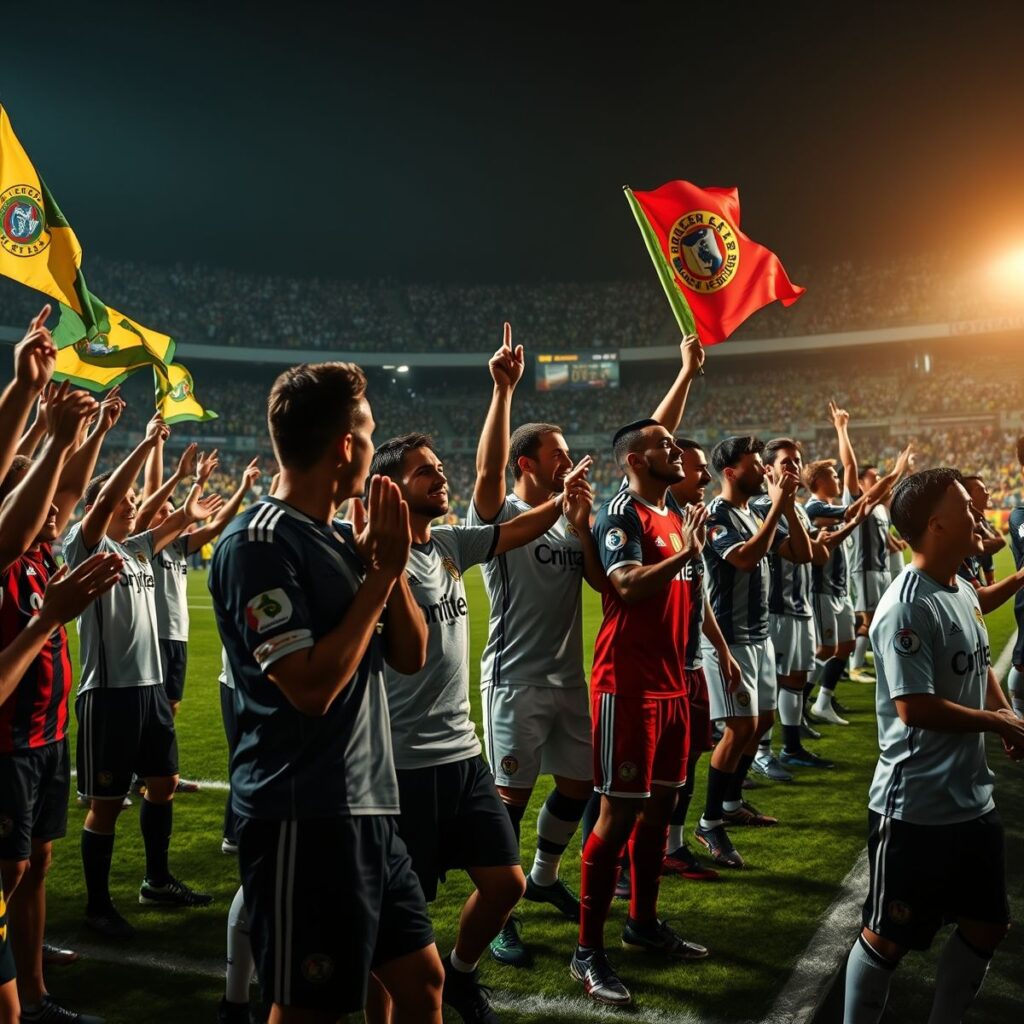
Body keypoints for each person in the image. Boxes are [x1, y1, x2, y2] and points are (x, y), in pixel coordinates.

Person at [209, 363, 443, 1024]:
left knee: (421, 984)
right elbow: (309, 687)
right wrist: (378, 580)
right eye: (367, 432)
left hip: (367, 807)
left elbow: (410, 654)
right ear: (345, 444)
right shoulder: (259, 543)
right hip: (301, 813)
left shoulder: (341, 538)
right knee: (310, 1007)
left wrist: (384, 572)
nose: (374, 448)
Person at [470, 325, 705, 963]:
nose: (570, 462)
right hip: (515, 680)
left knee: (578, 788)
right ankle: (499, 912)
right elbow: (490, 476)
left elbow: (645, 447)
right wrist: (503, 390)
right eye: (558, 455)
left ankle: (543, 881)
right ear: (529, 464)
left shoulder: (575, 526)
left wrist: (683, 374)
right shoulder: (501, 522)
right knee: (509, 802)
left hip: (571, 680)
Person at [370, 431, 591, 1022]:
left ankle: (463, 974)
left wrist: (564, 497)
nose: (441, 479)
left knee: (506, 884)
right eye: (425, 472)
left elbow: (519, 530)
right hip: (404, 763)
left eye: (442, 468)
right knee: (397, 920)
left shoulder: (447, 544)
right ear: (391, 488)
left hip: (462, 754)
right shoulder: (373, 556)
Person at [842, 468, 1024, 1024]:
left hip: (971, 799)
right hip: (914, 805)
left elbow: (974, 659)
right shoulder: (907, 606)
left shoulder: (961, 586)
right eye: (966, 508)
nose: (977, 516)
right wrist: (997, 727)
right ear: (937, 524)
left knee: (987, 923)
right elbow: (913, 708)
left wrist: (1003, 710)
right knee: (888, 937)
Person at [571, 420, 709, 1008]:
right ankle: (586, 951)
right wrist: (689, 556)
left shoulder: (674, 514)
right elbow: (624, 585)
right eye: (661, 443)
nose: (673, 448)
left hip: (672, 684)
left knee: (660, 811)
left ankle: (642, 923)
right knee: (617, 816)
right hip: (626, 686)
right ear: (633, 458)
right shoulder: (622, 511)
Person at [0, 381, 125, 1024]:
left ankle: (31, 969)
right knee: (13, 864)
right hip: (8, 745)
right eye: (37, 498)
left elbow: (70, 490)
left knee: (37, 861)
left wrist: (91, 432)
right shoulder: (5, 560)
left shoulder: (44, 549)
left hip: (47, 736)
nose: (55, 508)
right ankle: (19, 983)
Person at [66, 413, 216, 940]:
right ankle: (98, 905)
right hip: (108, 696)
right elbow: (108, 500)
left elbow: (170, 527)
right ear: (98, 510)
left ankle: (156, 879)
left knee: (163, 784)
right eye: (126, 506)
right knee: (105, 806)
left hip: (150, 690)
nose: (132, 510)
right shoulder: (84, 547)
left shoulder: (134, 552)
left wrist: (189, 501)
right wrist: (145, 445)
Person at [695, 436, 810, 869]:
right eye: (755, 464)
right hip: (729, 637)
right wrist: (779, 506)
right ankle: (709, 823)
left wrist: (787, 504)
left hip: (759, 635)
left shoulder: (753, 512)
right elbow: (743, 558)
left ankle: (731, 804)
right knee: (739, 728)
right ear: (730, 472)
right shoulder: (716, 516)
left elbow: (800, 553)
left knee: (761, 721)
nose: (765, 470)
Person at [661, 438, 741, 881]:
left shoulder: (685, 521)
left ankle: (673, 847)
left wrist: (723, 654)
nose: (704, 478)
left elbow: (700, 598)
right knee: (627, 780)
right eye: (694, 469)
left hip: (691, 666)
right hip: (654, 671)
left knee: (687, 759)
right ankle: (621, 865)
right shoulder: (643, 520)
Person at [752, 438, 845, 770]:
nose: (793, 466)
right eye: (785, 462)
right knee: (769, 685)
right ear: (768, 470)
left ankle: (791, 747)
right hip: (775, 609)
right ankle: (761, 754)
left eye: (797, 461)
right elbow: (795, 552)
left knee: (794, 679)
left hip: (801, 606)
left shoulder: (801, 509)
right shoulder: (763, 507)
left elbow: (814, 557)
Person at [829, 403, 913, 682]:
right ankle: (854, 667)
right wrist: (842, 429)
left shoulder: (878, 507)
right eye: (873, 478)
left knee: (873, 618)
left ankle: (853, 663)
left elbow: (893, 492)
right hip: (863, 568)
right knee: (870, 619)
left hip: (878, 567)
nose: (877, 480)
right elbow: (850, 465)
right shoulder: (854, 501)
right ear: (862, 483)